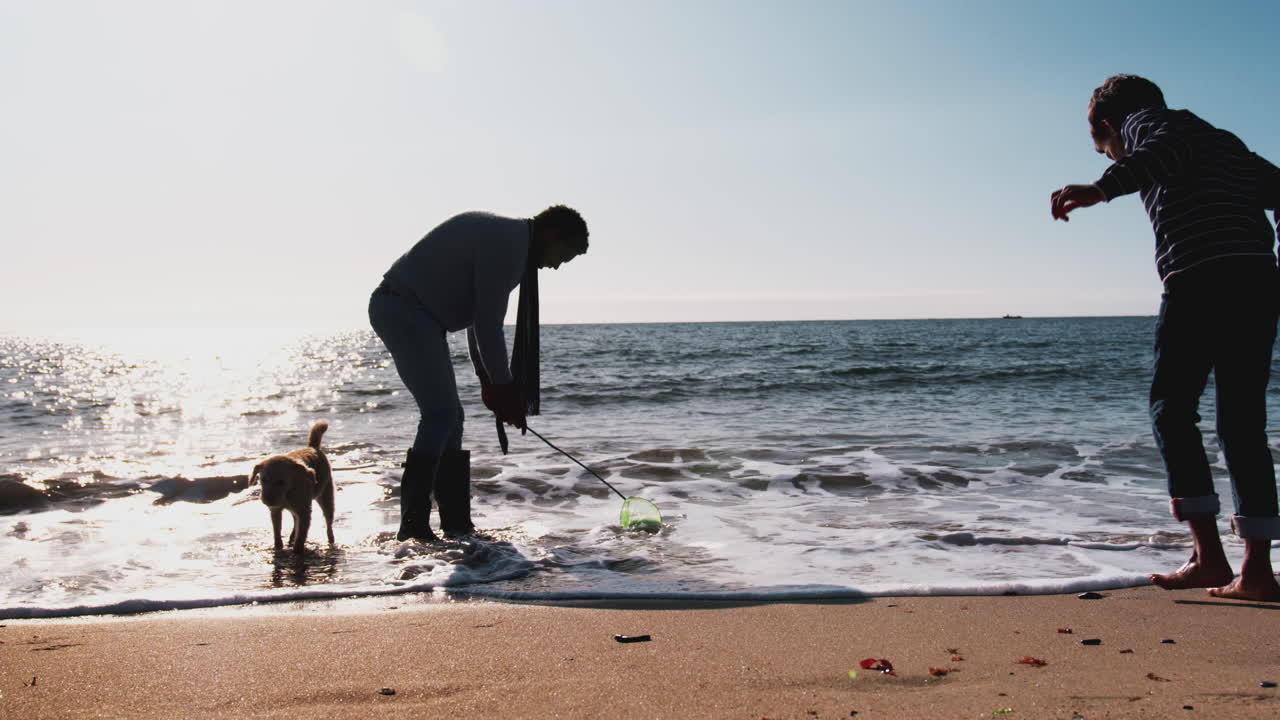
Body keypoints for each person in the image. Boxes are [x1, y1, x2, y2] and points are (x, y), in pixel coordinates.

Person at [1051, 74, 1280, 601]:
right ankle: (1258, 573)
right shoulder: (1222, 142)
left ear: (1111, 125)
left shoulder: (1154, 125)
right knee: (1242, 424)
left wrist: (1100, 188)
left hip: (1200, 279)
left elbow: (1162, 148)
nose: (1112, 158)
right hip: (1256, 284)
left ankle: (1209, 559)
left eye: (1106, 148)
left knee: (1171, 411)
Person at [369, 206, 589, 542]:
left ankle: (456, 525)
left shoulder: (510, 241)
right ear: (552, 235)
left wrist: (489, 381)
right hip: (404, 309)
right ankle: (413, 529)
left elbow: (476, 320)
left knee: (451, 417)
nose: (556, 265)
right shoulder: (508, 247)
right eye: (564, 256)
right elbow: (488, 326)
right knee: (440, 415)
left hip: (417, 315)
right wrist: (505, 389)